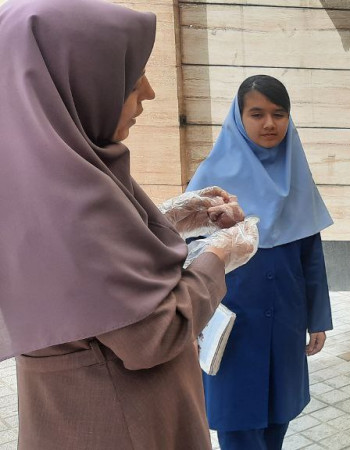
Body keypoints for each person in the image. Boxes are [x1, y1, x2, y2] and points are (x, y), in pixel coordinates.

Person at [0, 0, 258, 448]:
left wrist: (163, 218)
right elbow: (155, 334)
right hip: (121, 422)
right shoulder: (70, 200)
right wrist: (222, 252)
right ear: (75, 82)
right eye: (129, 75)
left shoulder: (38, 173)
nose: (149, 92)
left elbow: (87, 271)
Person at [188, 75, 335, 449]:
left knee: (278, 416)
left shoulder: (296, 175)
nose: (269, 124)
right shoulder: (211, 181)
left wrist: (318, 319)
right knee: (237, 423)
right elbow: (187, 258)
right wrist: (188, 323)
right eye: (257, 114)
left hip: (285, 320)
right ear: (239, 119)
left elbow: (311, 257)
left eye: (279, 114)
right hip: (231, 325)